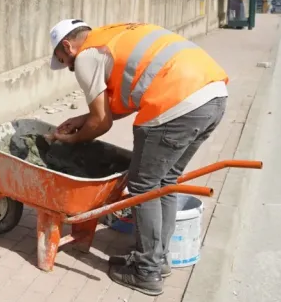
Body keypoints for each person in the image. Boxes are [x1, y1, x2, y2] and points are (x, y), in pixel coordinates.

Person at [47, 19, 228, 296]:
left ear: (68, 46)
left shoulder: (85, 57)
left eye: (64, 62)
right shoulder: (113, 36)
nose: (69, 68)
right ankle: (157, 260)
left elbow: (102, 124)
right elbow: (115, 107)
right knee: (165, 181)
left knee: (143, 185)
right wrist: (82, 119)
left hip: (176, 101)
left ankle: (146, 271)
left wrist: (73, 140)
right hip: (213, 95)